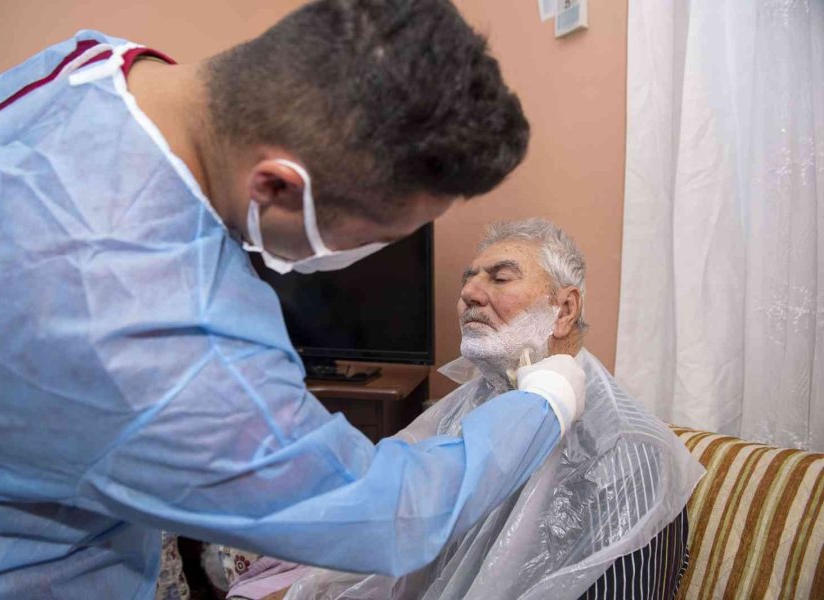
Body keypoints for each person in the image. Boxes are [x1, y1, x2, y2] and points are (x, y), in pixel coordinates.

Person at [0, 2, 588, 599]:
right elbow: (387, 514)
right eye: (379, 236)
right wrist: (545, 403)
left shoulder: (88, 67)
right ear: (276, 187)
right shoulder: (164, 339)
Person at [281, 218, 705, 599]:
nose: (468, 293)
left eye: (500, 278)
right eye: (468, 280)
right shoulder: (463, 407)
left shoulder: (627, 451)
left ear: (564, 309)